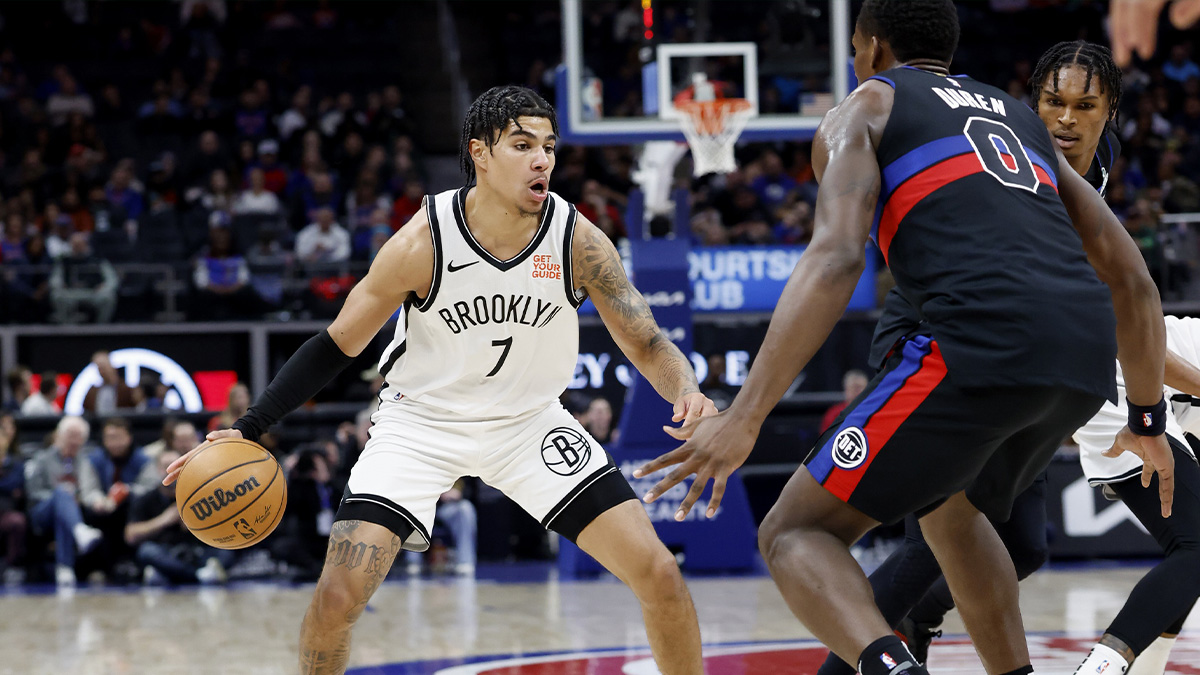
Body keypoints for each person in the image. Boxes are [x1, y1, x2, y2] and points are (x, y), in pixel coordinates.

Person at [634, 4, 1169, 675]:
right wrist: (1148, 419)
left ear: (870, 48)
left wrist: (746, 415)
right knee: (954, 513)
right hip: (1084, 356)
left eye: (857, 48)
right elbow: (1134, 281)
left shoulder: (863, 109)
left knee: (794, 529)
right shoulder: (1015, 114)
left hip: (974, 340)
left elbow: (834, 261)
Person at [166, 85, 714, 675]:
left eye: (549, 147)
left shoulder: (576, 241)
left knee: (659, 574)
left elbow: (647, 340)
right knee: (335, 600)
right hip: (419, 426)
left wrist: (686, 388)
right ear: (480, 152)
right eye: (523, 145)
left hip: (529, 424)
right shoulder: (423, 241)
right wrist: (247, 430)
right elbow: (337, 344)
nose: (542, 160)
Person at [817, 39, 1129, 673]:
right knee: (936, 540)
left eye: (1083, 106)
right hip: (937, 336)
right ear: (1030, 102)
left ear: (1109, 112)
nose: (1065, 119)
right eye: (1052, 103)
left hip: (1014, 354)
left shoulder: (1098, 168)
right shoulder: (995, 134)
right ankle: (857, 658)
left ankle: (916, 620)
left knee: (1024, 545)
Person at [1067, 315, 1200, 675]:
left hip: (1146, 394)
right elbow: (1138, 343)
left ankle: (1145, 670)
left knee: (1193, 549)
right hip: (1117, 375)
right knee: (1196, 546)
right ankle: (1099, 670)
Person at [125, 449, 229, 585]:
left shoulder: (199, 493)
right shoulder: (146, 498)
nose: (171, 472)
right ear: (157, 469)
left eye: (176, 466)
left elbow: (221, 527)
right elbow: (130, 536)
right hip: (165, 550)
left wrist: (196, 524)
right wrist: (163, 520)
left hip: (197, 550)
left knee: (227, 545)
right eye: (166, 467)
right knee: (146, 551)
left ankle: (167, 574)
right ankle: (199, 575)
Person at [26, 416, 105, 587]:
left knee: (64, 514)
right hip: (41, 513)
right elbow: (33, 493)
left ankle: (65, 569)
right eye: (70, 435)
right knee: (64, 492)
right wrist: (60, 498)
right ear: (59, 435)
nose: (74, 440)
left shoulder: (84, 462)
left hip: (70, 514)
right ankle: (79, 531)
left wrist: (98, 500)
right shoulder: (42, 459)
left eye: (79, 437)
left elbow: (90, 491)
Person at [403, 480, 476, 576]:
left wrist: (458, 493)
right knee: (411, 508)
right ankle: (413, 561)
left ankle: (465, 562)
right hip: (422, 505)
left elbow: (470, 490)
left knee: (466, 508)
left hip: (446, 507)